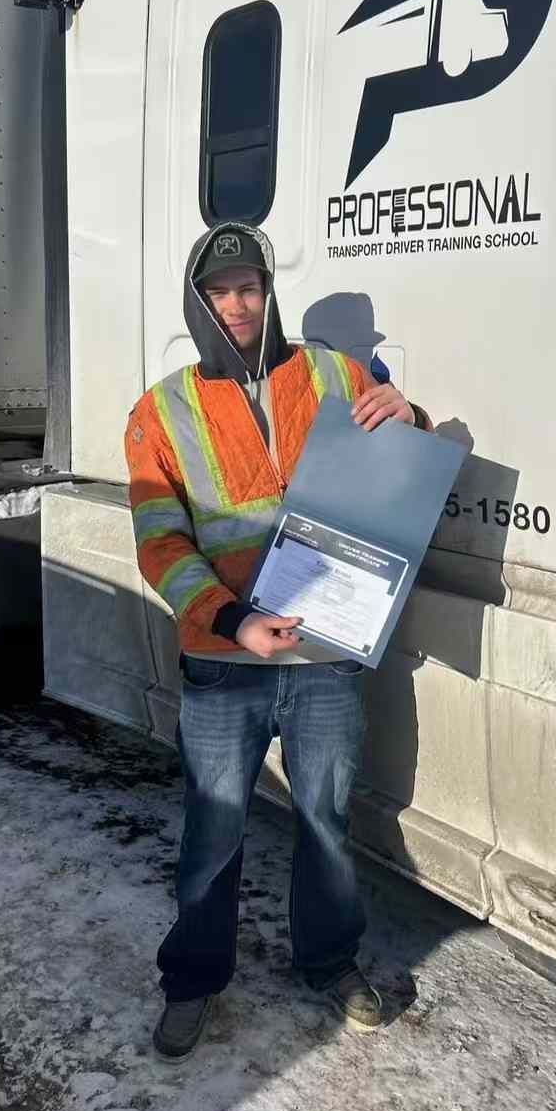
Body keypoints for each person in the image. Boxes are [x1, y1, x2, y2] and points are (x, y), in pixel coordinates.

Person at [124, 222, 432, 1061]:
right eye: (221, 291)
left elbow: (398, 456)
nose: (239, 304)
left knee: (327, 820)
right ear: (199, 303)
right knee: (213, 829)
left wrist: (411, 414)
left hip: (325, 658)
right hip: (225, 663)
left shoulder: (331, 372)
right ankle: (192, 980)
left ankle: (329, 962)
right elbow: (161, 544)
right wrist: (231, 619)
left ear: (268, 292)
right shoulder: (162, 410)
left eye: (250, 287)